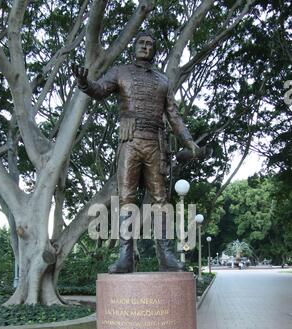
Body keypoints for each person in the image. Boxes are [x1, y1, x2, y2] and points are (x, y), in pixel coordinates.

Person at [72, 30, 208, 274]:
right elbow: (100, 89)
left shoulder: (163, 80)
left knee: (161, 200)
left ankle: (166, 255)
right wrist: (84, 83)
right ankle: (126, 256)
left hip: (155, 143)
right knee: (126, 198)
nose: (145, 46)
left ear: (154, 50)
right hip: (130, 141)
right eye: (141, 43)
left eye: (149, 44)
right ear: (134, 47)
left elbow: (173, 115)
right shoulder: (121, 72)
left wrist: (188, 142)